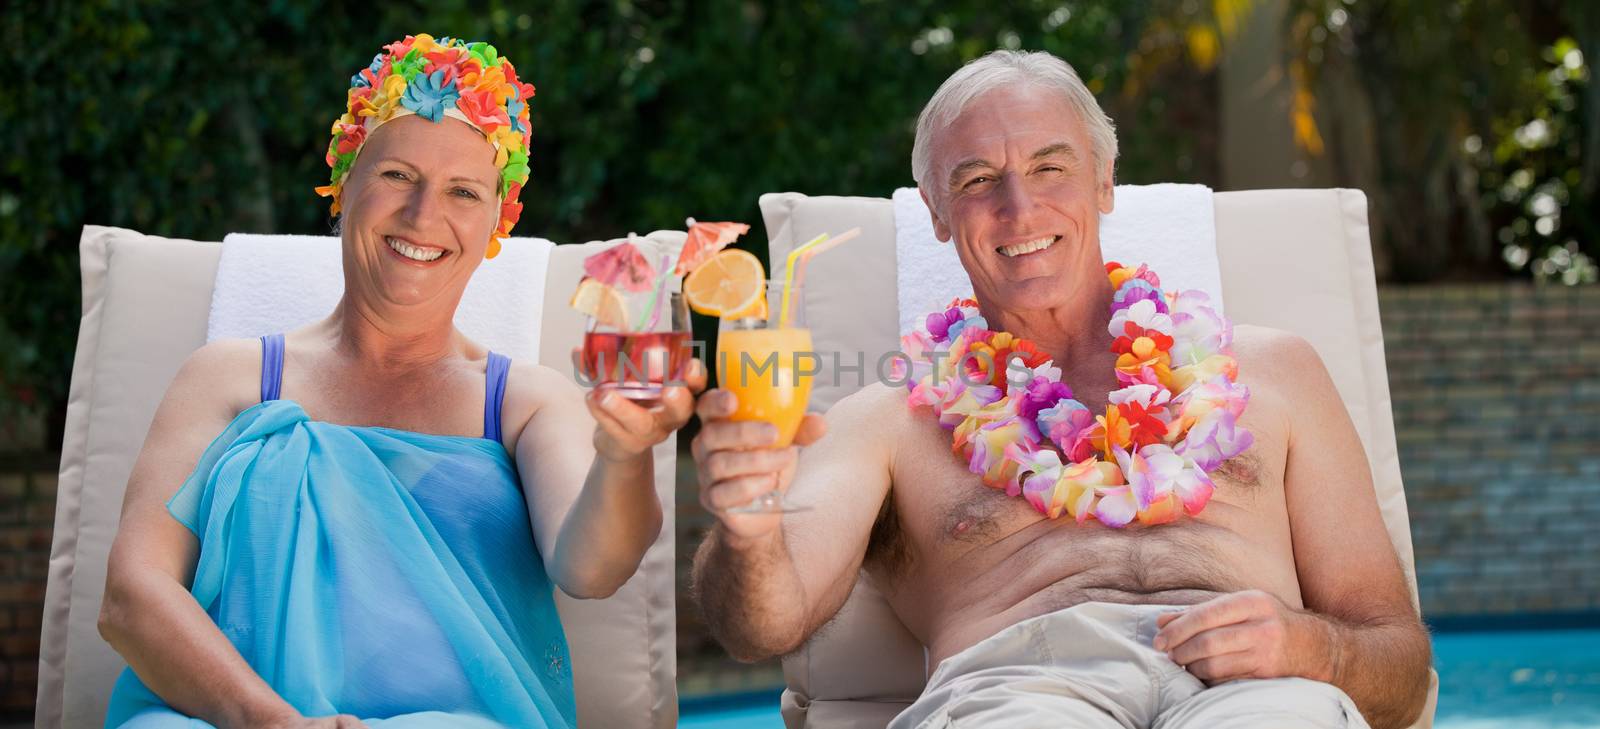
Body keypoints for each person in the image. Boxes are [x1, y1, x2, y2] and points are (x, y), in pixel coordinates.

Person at [691, 50, 1431, 729]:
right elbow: (762, 625)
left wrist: (1315, 649)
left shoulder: (1276, 372)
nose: (1020, 208)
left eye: (1051, 167)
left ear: (1105, 181)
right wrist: (746, 533)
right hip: (1019, 693)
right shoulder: (885, 422)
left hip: (1261, 694)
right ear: (937, 214)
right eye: (978, 180)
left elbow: (1400, 663)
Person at [97, 34, 700, 728]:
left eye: (463, 191)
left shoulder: (524, 404)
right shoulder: (229, 378)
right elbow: (132, 596)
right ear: (344, 179)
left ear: (495, 221)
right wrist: (272, 721)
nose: (422, 216)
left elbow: (592, 569)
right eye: (397, 176)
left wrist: (624, 456)